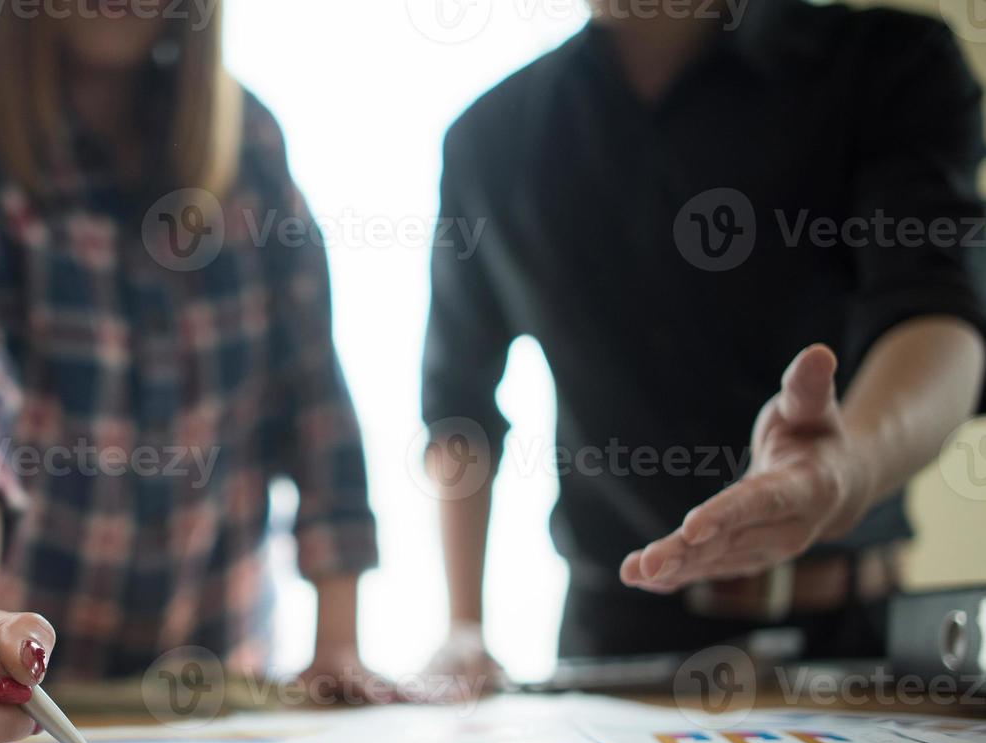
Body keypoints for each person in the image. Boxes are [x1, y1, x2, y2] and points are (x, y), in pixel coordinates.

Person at [0, 2, 381, 743]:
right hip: (24, 709)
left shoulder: (248, 144)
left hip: (224, 702)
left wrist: (337, 646)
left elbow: (314, 402)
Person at [422, 0, 986, 686]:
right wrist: (461, 627)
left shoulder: (887, 63)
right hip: (611, 661)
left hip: (850, 648)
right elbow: (458, 411)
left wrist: (847, 468)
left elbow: (939, 315)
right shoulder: (488, 139)